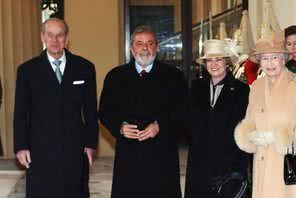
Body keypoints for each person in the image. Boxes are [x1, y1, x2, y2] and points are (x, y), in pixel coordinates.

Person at [98, 25, 187, 198]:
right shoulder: (115, 76)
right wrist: (120, 126)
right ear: (131, 48)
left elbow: (183, 111)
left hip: (162, 153)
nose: (145, 48)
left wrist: (160, 126)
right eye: (139, 43)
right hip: (129, 155)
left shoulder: (174, 77)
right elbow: (105, 111)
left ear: (157, 47)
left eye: (150, 43)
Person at [13, 17, 98, 198]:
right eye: (50, 35)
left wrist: (90, 145)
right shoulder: (27, 71)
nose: (55, 40)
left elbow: (91, 112)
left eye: (60, 35)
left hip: (74, 148)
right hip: (39, 149)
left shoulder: (85, 68)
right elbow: (20, 113)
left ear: (67, 38)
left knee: (76, 192)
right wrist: (21, 146)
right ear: (42, 37)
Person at [234, 31, 296, 198]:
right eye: (264, 58)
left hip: (289, 165)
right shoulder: (256, 86)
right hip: (263, 163)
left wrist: (278, 136)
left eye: (274, 58)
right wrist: (250, 135)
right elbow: (250, 118)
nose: (269, 63)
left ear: (283, 59)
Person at [185, 40, 251, 198]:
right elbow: (190, 121)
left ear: (227, 62)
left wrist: (238, 168)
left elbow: (244, 128)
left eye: (218, 59)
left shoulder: (241, 90)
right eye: (209, 60)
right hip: (199, 162)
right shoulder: (196, 87)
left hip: (227, 164)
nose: (213, 64)